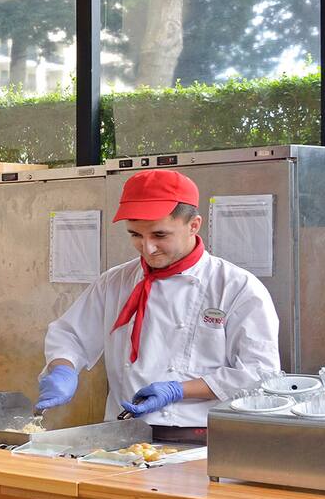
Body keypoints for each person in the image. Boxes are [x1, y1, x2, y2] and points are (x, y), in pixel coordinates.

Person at [36, 169, 280, 442]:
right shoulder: (115, 282)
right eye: (136, 235)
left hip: (205, 440)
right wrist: (63, 369)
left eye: (160, 235)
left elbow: (259, 374)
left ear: (194, 225)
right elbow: (71, 335)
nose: (147, 248)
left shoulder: (236, 287)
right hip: (121, 435)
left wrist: (179, 389)